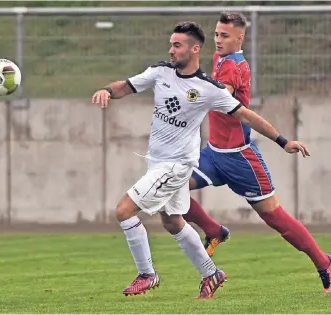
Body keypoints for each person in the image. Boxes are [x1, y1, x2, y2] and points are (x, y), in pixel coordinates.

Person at [92, 21, 309, 299]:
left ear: (195, 49)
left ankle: (147, 274)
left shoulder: (208, 88)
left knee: (124, 211)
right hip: (157, 161)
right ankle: (211, 273)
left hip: (176, 166)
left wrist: (283, 141)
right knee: (172, 221)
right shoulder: (160, 72)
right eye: (171, 44)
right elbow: (126, 86)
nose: (171, 50)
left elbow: (247, 115)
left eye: (177, 45)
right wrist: (107, 91)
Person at [182, 12, 331, 293]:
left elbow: (221, 99)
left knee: (276, 218)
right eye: (216, 34)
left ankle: (325, 264)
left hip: (240, 159)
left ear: (240, 37)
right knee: (170, 188)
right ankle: (214, 231)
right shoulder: (219, 59)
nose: (218, 40)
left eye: (225, 35)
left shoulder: (234, 67)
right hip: (213, 154)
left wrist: (283, 141)